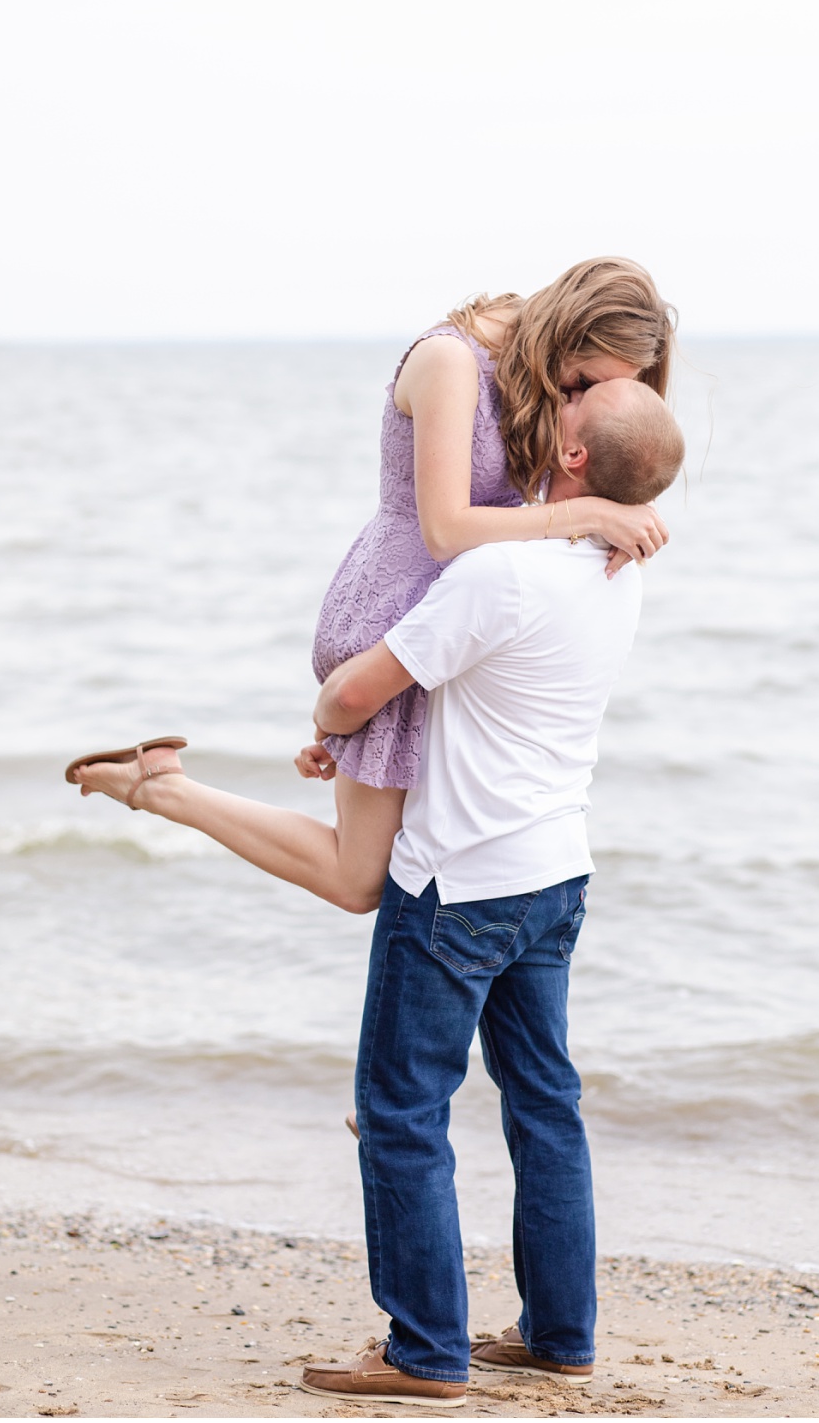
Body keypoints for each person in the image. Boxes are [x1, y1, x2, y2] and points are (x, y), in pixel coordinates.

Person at [293, 377, 685, 1407]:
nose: (546, 401)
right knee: (547, 1106)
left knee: (401, 1111)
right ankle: (561, 1333)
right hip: (556, 871)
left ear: (574, 461)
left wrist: (331, 729)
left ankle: (423, 1349)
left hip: (458, 880)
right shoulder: (617, 571)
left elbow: (352, 689)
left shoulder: (499, 572)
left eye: (569, 404)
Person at [66, 257, 678, 914]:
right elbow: (443, 529)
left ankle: (163, 781)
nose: (573, 401)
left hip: (448, 619)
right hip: (395, 605)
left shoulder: (536, 377)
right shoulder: (451, 360)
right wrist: (586, 513)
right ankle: (159, 788)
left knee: (394, 856)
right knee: (356, 878)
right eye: (583, 381)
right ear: (569, 328)